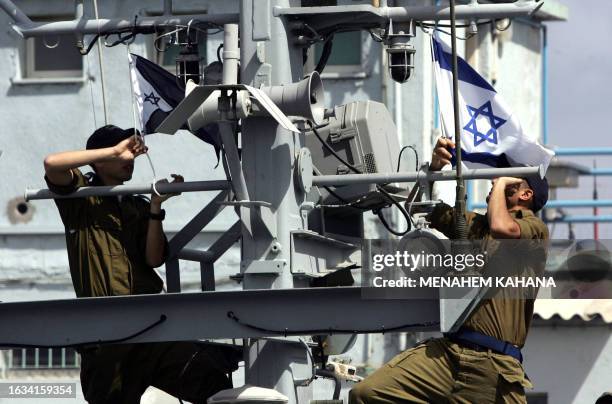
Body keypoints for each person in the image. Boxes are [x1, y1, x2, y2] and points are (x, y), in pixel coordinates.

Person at [44, 125, 238, 404]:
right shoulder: (81, 198)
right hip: (107, 332)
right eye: (124, 153)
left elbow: (153, 259)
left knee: (211, 384)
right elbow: (52, 164)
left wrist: (156, 206)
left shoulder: (136, 203)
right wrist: (114, 150)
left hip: (151, 323)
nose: (130, 159)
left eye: (132, 154)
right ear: (99, 159)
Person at [349, 137, 550, 404]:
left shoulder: (534, 229)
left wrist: (500, 182)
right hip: (450, 354)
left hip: (493, 366)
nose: (494, 179)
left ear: (525, 194)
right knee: (367, 394)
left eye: (506, 176)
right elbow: (418, 208)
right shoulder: (476, 226)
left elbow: (504, 228)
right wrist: (434, 169)